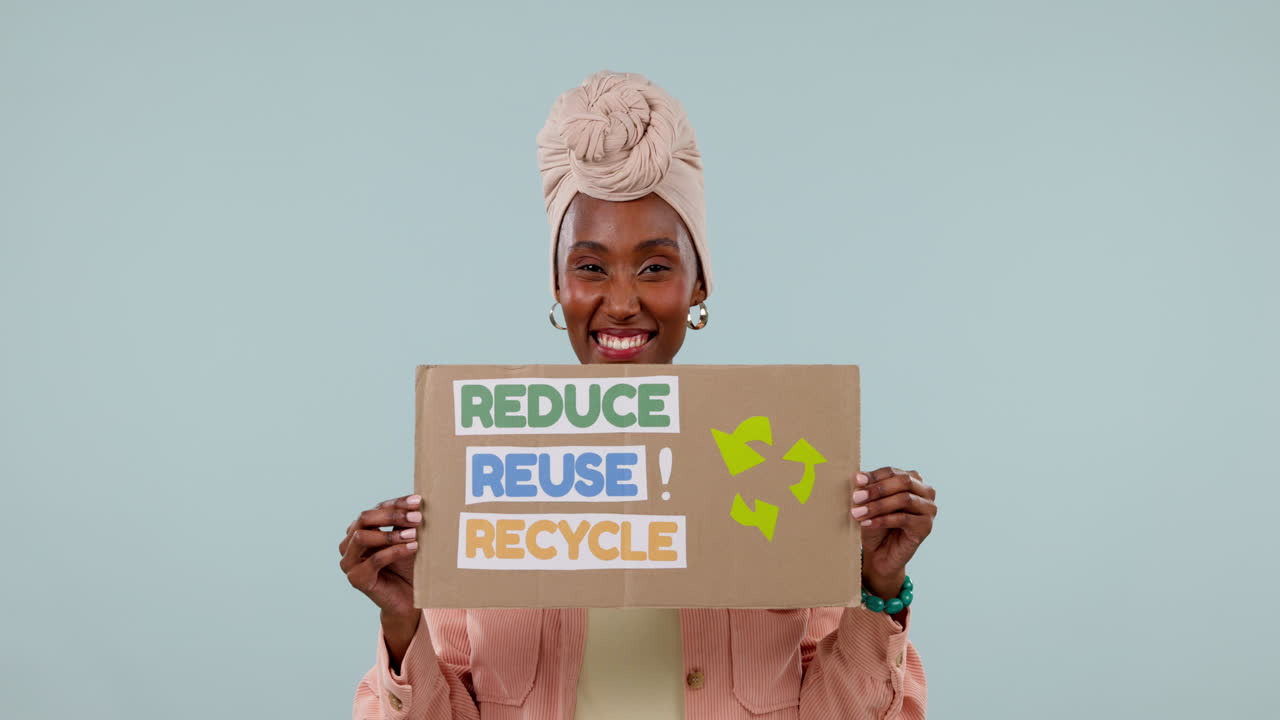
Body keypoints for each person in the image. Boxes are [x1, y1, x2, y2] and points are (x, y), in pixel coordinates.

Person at [342, 70, 936, 720]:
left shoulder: (786, 465)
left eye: (655, 266)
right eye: (590, 267)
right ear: (558, 286)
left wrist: (877, 585)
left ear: (698, 286)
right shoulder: (483, 478)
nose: (622, 302)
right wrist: (404, 623)